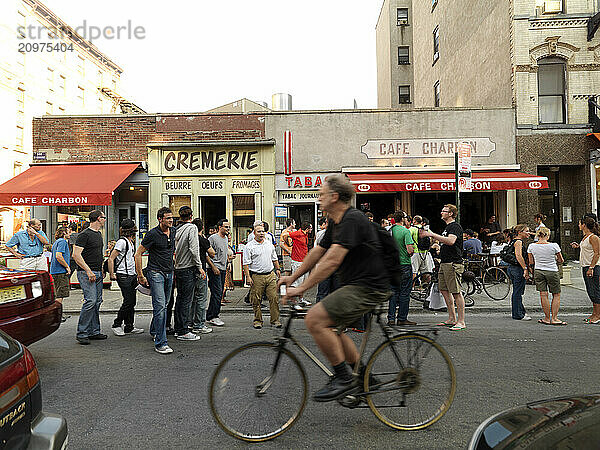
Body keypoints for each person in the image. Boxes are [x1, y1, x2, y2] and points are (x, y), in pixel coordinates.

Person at [279, 174, 390, 402]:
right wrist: (293, 278)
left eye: (321, 194)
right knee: (334, 330)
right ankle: (366, 377)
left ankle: (344, 378)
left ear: (335, 196)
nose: (319, 198)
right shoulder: (335, 221)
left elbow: (331, 261)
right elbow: (318, 252)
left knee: (314, 319)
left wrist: (301, 289)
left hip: (369, 286)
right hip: (356, 285)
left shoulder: (352, 219)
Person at [135, 207, 176, 355]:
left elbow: (171, 251)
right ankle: (161, 343)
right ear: (160, 219)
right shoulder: (152, 234)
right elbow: (138, 253)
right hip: (155, 273)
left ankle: (154, 330)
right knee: (160, 307)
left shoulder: (174, 231)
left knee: (164, 305)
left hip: (169, 273)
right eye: (168, 218)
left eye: (172, 218)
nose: (171, 220)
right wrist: (140, 275)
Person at [421, 204, 466, 331]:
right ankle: (451, 318)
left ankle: (461, 321)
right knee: (444, 290)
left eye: (444, 211)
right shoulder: (447, 227)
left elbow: (451, 241)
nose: (441, 212)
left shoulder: (455, 226)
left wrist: (432, 235)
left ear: (451, 213)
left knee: (456, 292)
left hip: (453, 263)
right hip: (444, 262)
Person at [72, 210, 107, 345]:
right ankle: (82, 333)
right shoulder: (84, 235)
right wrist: (88, 271)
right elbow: (76, 255)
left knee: (97, 302)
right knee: (90, 301)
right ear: (98, 218)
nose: (104, 220)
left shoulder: (98, 234)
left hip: (97, 272)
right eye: (103, 218)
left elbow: (97, 253)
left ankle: (94, 331)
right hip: (86, 273)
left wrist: (102, 269)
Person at [108, 218, 144, 336]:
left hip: (131, 275)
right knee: (128, 301)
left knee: (132, 302)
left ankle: (129, 326)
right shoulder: (121, 242)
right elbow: (111, 258)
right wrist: (112, 274)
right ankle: (117, 324)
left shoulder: (129, 241)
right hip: (123, 275)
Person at [173, 206, 204, 342]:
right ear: (191, 216)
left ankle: (178, 327)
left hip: (178, 267)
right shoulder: (192, 228)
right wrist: (200, 266)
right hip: (187, 267)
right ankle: (183, 330)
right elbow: (193, 249)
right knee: (186, 300)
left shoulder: (177, 229)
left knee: (180, 299)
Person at [243, 223, 282, 329]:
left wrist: (277, 269)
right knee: (256, 300)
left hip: (270, 275)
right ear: (254, 233)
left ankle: (275, 320)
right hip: (257, 276)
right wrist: (248, 277)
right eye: (259, 231)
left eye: (263, 231)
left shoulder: (269, 244)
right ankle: (258, 320)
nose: (261, 233)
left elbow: (274, 258)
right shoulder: (249, 246)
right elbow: (246, 263)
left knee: (273, 298)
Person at [528, 227, 564, 325]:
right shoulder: (554, 246)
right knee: (556, 294)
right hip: (552, 270)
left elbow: (531, 262)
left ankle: (547, 318)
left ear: (537, 235)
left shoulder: (531, 246)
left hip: (538, 270)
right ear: (547, 235)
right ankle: (555, 318)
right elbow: (561, 260)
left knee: (543, 295)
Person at [388, 210, 415, 326]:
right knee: (404, 293)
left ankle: (391, 318)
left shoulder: (389, 231)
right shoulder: (405, 231)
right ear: (402, 219)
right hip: (404, 264)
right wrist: (410, 252)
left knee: (393, 292)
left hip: (392, 266)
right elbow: (410, 250)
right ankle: (402, 318)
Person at [571, 216, 600, 324]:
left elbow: (597, 253)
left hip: (593, 267)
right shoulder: (585, 237)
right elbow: (589, 249)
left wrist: (591, 268)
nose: (578, 225)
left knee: (595, 291)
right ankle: (594, 313)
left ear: (584, 225)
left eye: (580, 223)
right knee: (591, 291)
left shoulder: (593, 237)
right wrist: (578, 246)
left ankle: (598, 315)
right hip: (585, 266)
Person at [190, 218, 215, 334]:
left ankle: (190, 322)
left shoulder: (189, 239)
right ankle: (199, 324)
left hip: (189, 270)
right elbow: (212, 253)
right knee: (201, 298)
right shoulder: (202, 240)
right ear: (202, 228)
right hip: (201, 271)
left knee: (191, 299)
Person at [505, 224, 532, 321]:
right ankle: (518, 314)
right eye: (527, 231)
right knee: (518, 292)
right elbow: (518, 256)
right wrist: (525, 268)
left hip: (512, 268)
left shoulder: (513, 241)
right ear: (520, 232)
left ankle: (520, 311)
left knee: (517, 291)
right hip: (518, 268)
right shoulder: (519, 242)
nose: (529, 233)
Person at [207, 219, 230, 327]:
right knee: (217, 293)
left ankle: (210, 315)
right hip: (214, 269)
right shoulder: (212, 238)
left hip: (223, 268)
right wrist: (212, 266)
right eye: (226, 227)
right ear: (220, 227)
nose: (228, 229)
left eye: (229, 227)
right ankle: (213, 316)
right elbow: (206, 253)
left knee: (219, 292)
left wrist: (228, 262)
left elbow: (224, 253)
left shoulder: (225, 238)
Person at [49, 225, 72, 322]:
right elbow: (59, 256)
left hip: (55, 271)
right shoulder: (62, 242)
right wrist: (67, 266)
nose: (70, 233)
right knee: (60, 295)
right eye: (68, 232)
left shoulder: (56, 242)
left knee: (57, 294)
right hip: (60, 272)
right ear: (64, 233)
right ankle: (57, 316)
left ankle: (57, 315)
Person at [289, 222, 313, 306]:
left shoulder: (305, 235)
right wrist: (289, 244)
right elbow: (286, 235)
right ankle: (294, 302)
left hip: (303, 261)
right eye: (311, 228)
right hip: (297, 261)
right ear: (307, 229)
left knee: (303, 282)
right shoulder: (298, 233)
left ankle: (301, 299)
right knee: (297, 282)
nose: (311, 229)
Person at [315, 217, 335, 302]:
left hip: (329, 267)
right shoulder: (322, 234)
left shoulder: (322, 234)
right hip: (325, 267)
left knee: (324, 293)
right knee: (324, 293)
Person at [409, 215, 434, 280]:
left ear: (414, 221)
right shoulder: (426, 229)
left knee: (414, 271)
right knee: (426, 272)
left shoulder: (412, 229)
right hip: (425, 253)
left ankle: (412, 288)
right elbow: (433, 238)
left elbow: (407, 239)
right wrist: (429, 246)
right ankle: (428, 287)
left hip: (415, 253)